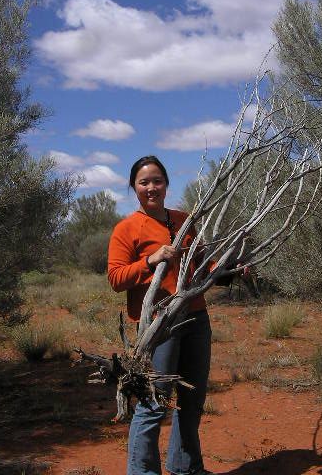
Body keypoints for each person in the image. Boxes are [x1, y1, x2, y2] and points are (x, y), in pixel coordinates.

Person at [108, 155, 212, 475]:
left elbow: (203, 263)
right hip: (158, 325)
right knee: (154, 402)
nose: (151, 187)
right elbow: (116, 278)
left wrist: (231, 268)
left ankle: (186, 468)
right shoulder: (127, 228)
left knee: (192, 399)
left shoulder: (184, 220)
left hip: (195, 318)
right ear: (134, 187)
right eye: (144, 182)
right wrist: (149, 261)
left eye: (157, 181)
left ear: (166, 184)